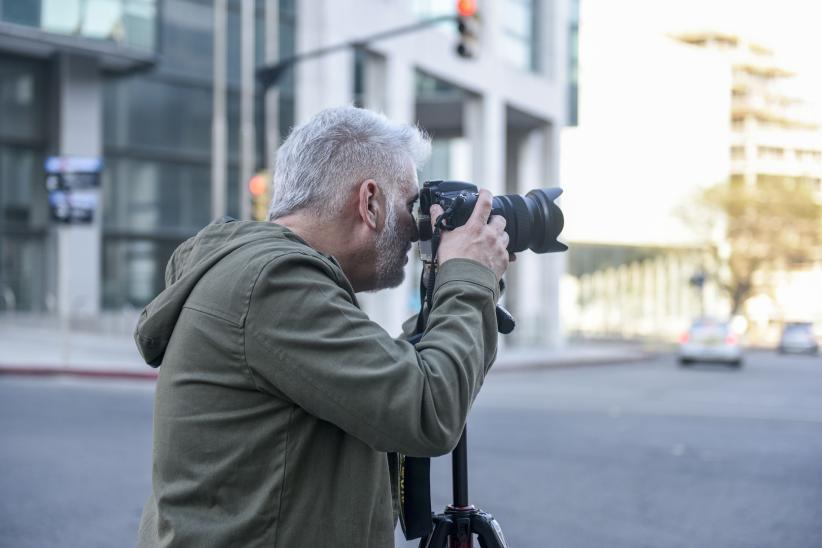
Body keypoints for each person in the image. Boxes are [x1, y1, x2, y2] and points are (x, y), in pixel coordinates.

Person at [134, 106, 510, 547]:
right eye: (410, 203)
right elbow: (427, 407)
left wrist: (463, 279)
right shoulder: (273, 283)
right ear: (370, 201)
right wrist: (467, 276)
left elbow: (389, 380)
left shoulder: (266, 277)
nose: (417, 227)